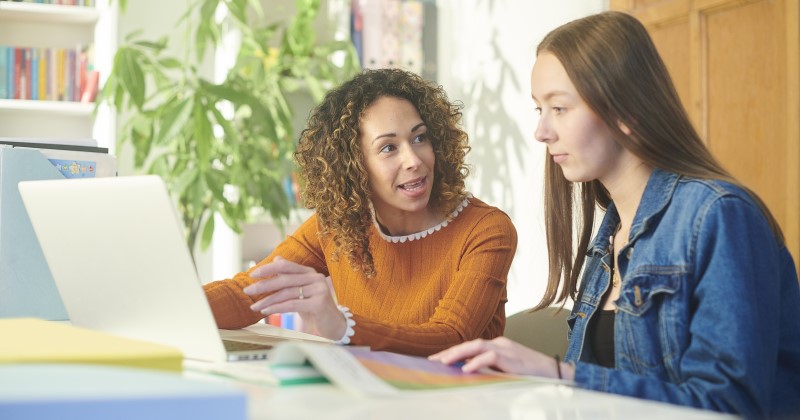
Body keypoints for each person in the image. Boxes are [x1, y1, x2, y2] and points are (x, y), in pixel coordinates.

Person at [429, 11, 800, 418]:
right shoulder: (608, 238)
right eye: (539, 110)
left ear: (626, 109)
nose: (542, 132)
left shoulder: (719, 216)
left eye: (560, 108)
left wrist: (559, 374)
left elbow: (731, 407)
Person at [203, 68, 517, 357]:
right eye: (388, 148)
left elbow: (451, 338)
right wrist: (168, 304)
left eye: (420, 138)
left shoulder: (485, 229)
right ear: (354, 166)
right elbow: (248, 295)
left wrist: (341, 325)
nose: (414, 160)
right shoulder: (338, 227)